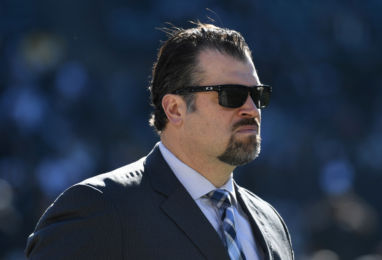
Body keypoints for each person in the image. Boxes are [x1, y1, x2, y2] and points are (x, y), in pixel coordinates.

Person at [25, 22, 294, 260]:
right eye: (231, 95)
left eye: (257, 95)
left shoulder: (270, 222)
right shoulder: (99, 209)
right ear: (175, 109)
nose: (252, 109)